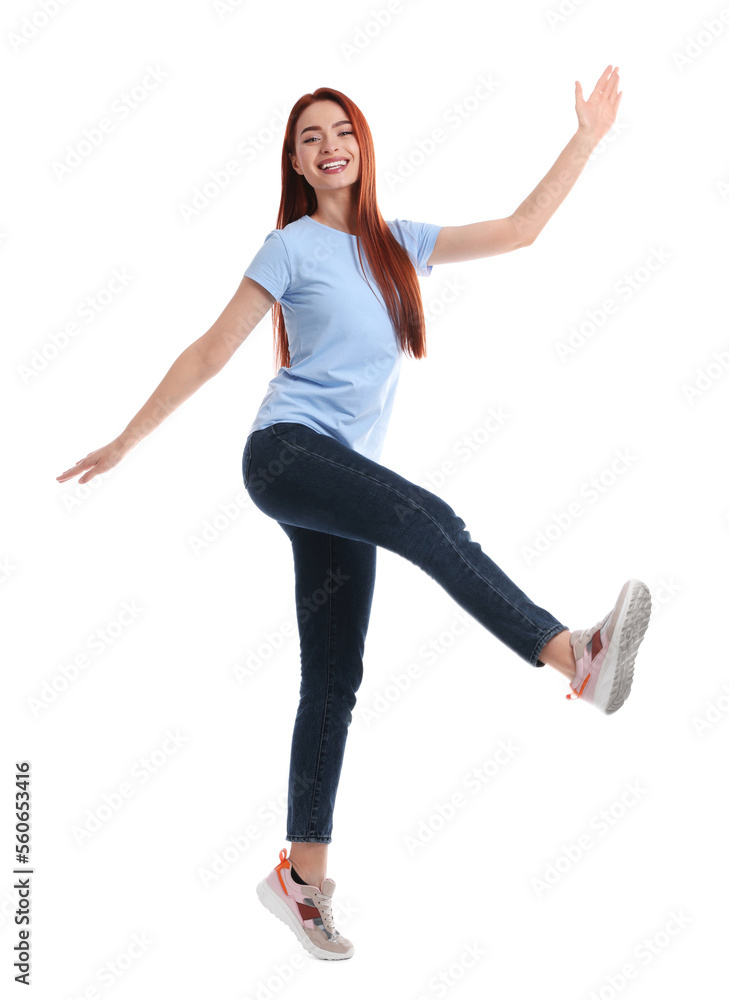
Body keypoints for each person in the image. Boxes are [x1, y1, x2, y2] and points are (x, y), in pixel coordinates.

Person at [56, 68, 652, 963]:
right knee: (426, 516)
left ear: (361, 147)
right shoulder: (288, 245)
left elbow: (522, 231)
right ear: (296, 164)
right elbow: (213, 349)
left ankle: (299, 877)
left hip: (339, 480)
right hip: (288, 455)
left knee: (333, 678)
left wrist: (587, 136)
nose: (328, 144)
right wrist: (127, 440)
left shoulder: (397, 243)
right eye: (308, 137)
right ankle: (571, 654)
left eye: (341, 130)